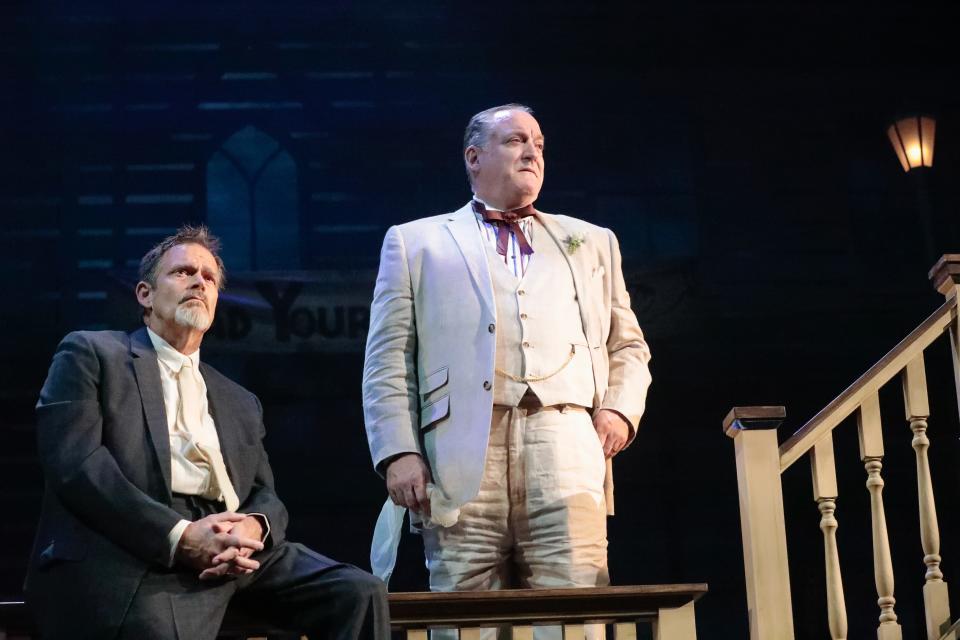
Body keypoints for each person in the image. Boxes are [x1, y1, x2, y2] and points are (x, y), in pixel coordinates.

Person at [25, 226, 390, 640]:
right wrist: (182, 537)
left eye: (210, 278)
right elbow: (77, 466)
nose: (200, 281)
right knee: (158, 629)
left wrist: (254, 527)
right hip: (141, 546)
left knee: (359, 593)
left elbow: (266, 494)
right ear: (145, 294)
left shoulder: (238, 399)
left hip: (235, 544)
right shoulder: (92, 354)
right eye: (183, 272)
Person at [362, 104, 652, 625]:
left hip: (565, 440)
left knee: (574, 606)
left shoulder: (592, 241)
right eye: (516, 140)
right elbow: (387, 358)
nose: (532, 152)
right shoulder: (416, 241)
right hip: (460, 449)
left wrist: (619, 412)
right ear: (474, 157)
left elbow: (628, 346)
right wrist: (399, 451)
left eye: (539, 144)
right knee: (466, 612)